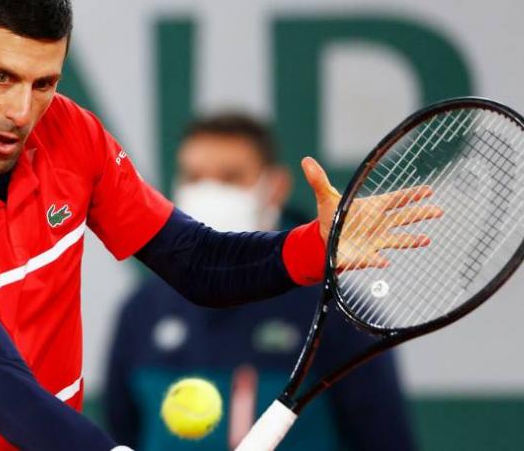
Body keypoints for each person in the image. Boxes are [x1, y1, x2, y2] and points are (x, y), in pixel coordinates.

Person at [0, 0, 436, 449]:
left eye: (45, 83)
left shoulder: (70, 134)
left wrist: (314, 247)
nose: (21, 112)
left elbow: (197, 262)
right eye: (1, 77)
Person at [103, 113, 417, 451]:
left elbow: (384, 439)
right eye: (194, 177)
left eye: (231, 177)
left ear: (276, 187)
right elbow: (122, 433)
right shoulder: (141, 310)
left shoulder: (337, 314)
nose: (209, 192)